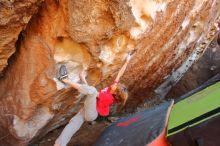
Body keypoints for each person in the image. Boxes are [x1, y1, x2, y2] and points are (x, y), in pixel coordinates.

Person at [54, 54, 132, 146]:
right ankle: (59, 144)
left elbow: (91, 92)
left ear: (115, 93)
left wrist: (83, 79)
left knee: (93, 91)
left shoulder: (108, 97)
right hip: (87, 109)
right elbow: (120, 74)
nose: (115, 84)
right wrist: (127, 61)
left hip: (91, 114)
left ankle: (65, 79)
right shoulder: (112, 89)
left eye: (116, 86)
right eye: (116, 84)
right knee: (73, 125)